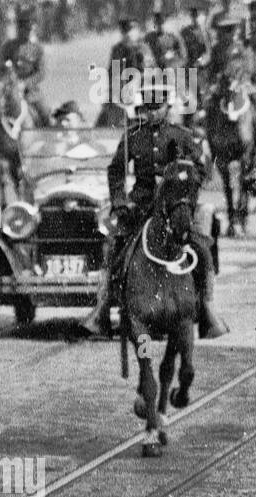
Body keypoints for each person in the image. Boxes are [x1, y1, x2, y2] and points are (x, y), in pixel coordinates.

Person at [81, 90, 228, 339]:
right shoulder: (133, 137)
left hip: (175, 206)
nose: (152, 113)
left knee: (201, 248)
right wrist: (119, 202)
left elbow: (204, 172)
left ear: (167, 108)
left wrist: (185, 189)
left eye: (157, 107)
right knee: (113, 247)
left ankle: (206, 307)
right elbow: (116, 170)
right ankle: (103, 309)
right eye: (148, 108)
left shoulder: (183, 137)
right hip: (141, 205)